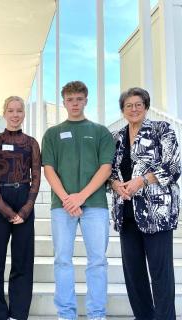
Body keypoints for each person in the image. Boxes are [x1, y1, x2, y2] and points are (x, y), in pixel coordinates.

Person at [41, 81, 115, 320]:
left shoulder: (100, 131)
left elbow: (106, 168)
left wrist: (81, 197)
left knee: (97, 261)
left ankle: (97, 314)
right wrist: (67, 198)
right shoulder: (52, 134)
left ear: (86, 100)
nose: (74, 103)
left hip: (95, 206)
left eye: (79, 99)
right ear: (64, 102)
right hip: (62, 207)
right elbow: (49, 169)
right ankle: (66, 314)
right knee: (62, 260)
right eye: (70, 99)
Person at [110, 87, 180, 320]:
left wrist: (142, 181)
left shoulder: (163, 130)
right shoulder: (116, 137)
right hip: (126, 214)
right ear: (123, 110)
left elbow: (173, 167)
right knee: (134, 275)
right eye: (128, 105)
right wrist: (114, 184)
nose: (134, 109)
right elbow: (109, 171)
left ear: (146, 106)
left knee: (161, 275)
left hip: (157, 214)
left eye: (138, 104)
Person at [0, 96, 41, 320]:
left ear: (23, 114)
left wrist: (26, 208)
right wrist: (6, 210)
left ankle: (18, 313)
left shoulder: (32, 143)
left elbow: (36, 176)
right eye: (11, 110)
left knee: (23, 260)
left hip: (24, 198)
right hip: (0, 199)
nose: (15, 114)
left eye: (19, 110)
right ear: (4, 113)